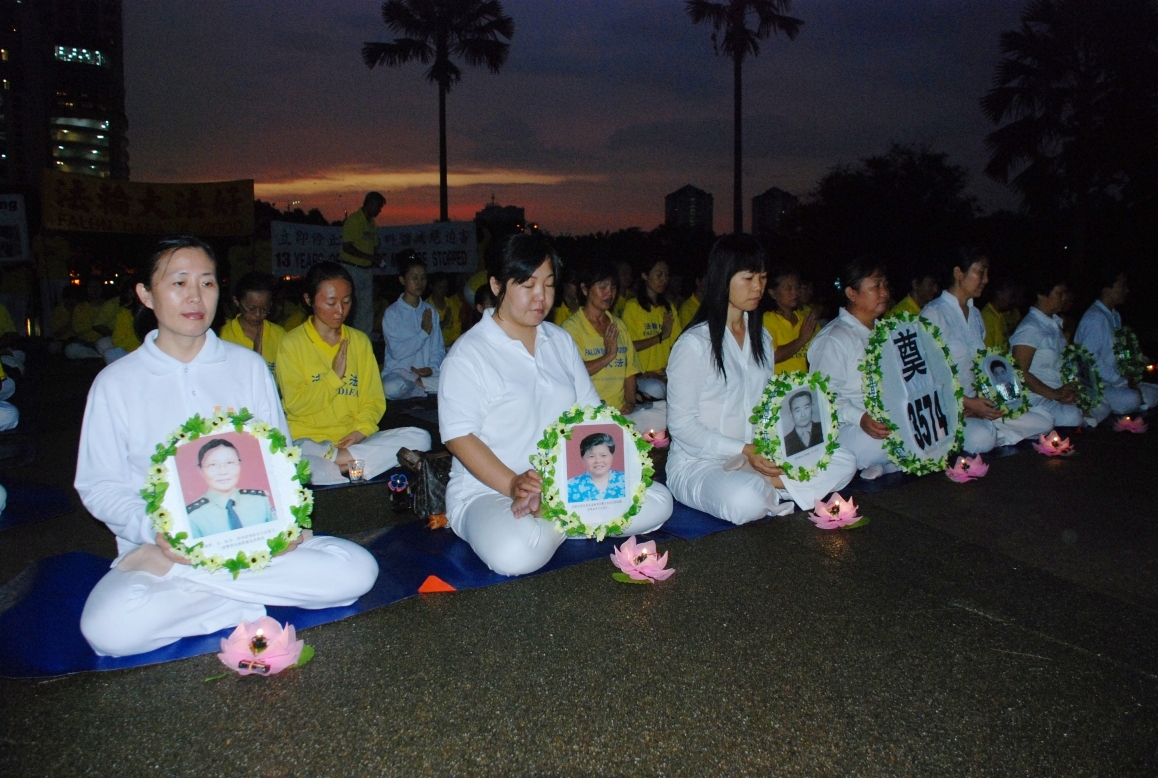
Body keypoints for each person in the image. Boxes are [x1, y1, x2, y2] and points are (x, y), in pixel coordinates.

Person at [75, 235, 379, 658]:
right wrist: (155, 533)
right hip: (167, 552)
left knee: (358, 570)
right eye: (178, 283)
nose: (195, 296)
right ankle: (249, 599)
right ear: (145, 294)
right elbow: (99, 485)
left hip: (254, 544)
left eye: (207, 283)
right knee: (108, 630)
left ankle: (208, 594)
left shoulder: (247, 367)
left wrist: (286, 522)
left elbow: (281, 460)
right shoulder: (116, 383)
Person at [439, 234, 672, 576]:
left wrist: (612, 469)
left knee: (659, 502)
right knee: (514, 554)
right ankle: (572, 520)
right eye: (528, 285)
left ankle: (557, 516)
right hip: (489, 490)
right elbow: (459, 437)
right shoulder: (469, 353)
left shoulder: (559, 341)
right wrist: (513, 484)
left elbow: (592, 416)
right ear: (497, 284)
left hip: (569, 483)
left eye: (548, 285)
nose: (541, 297)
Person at [667, 234, 857, 524]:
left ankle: (771, 484)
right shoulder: (694, 345)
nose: (758, 287)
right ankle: (775, 488)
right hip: (701, 463)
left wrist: (776, 450)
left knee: (845, 460)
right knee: (745, 500)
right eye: (748, 278)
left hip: (757, 455)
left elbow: (768, 408)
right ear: (723, 279)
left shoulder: (762, 339)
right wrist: (744, 450)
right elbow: (681, 427)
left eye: (763, 277)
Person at [275, 261, 430, 485]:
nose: (340, 311)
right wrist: (333, 378)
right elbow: (295, 405)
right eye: (331, 303)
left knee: (420, 438)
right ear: (309, 300)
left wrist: (360, 431)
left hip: (353, 442)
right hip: (307, 440)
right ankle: (349, 465)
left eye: (346, 301)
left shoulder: (359, 341)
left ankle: (340, 463)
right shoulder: (291, 344)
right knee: (298, 458)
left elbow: (373, 400)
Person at [919, 248, 1052, 451]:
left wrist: (987, 401)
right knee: (981, 438)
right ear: (959, 273)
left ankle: (988, 433)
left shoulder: (975, 314)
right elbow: (926, 377)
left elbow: (982, 367)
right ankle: (984, 435)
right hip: (948, 406)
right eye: (980, 272)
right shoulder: (933, 314)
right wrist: (968, 403)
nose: (986, 279)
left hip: (979, 404)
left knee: (1044, 420)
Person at [807, 257, 898, 478]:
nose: (884, 292)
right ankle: (879, 460)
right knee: (886, 441)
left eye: (885, 284)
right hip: (849, 428)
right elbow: (821, 398)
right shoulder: (835, 338)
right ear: (852, 293)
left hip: (886, 422)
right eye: (876, 286)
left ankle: (883, 463)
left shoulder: (888, 332)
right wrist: (860, 418)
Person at [560, 260, 645, 420]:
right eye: (603, 286)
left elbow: (630, 372)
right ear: (585, 289)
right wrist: (608, 355)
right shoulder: (571, 328)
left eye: (613, 287)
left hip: (619, 413)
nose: (609, 293)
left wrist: (630, 402)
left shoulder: (619, 325)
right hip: (586, 416)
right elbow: (572, 372)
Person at [1010, 270, 1088, 428]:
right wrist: (1055, 394)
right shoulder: (1030, 327)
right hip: (1035, 397)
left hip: (1057, 393)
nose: (1064, 298)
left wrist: (1067, 392)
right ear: (1041, 295)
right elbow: (1019, 371)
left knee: (1094, 404)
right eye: (1059, 293)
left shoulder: (1053, 325)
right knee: (1073, 415)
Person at [1075, 267, 1158, 415]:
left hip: (1115, 381)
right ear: (1107, 289)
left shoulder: (1114, 316)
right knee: (1132, 398)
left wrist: (1135, 364)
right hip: (1097, 385)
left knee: (1152, 391)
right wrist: (1120, 381)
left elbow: (1119, 352)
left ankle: (1135, 400)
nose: (1127, 290)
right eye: (1122, 286)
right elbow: (1089, 359)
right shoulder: (1095, 318)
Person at [381, 254, 445, 399]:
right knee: (390, 387)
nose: (419, 282)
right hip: (399, 374)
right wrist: (423, 333)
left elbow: (438, 349)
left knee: (457, 380)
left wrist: (431, 368)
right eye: (414, 278)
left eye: (423, 278)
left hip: (427, 376)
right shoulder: (392, 313)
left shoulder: (430, 311)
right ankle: (420, 388)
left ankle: (419, 386)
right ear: (402, 280)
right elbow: (397, 352)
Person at [186, 439, 275, 539]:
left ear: (239, 465)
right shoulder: (192, 517)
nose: (223, 472)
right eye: (213, 465)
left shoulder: (260, 501)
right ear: (201, 471)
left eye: (230, 463)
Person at [622, 257, 683, 399]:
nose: (664, 279)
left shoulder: (669, 308)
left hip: (664, 374)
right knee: (656, 389)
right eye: (659, 274)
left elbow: (678, 345)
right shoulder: (632, 307)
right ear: (645, 275)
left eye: (666, 275)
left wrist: (670, 370)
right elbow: (630, 346)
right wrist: (661, 336)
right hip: (642, 376)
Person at [219, 272, 286, 374]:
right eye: (251, 309)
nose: (257, 315)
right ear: (236, 301)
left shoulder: (279, 335)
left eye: (264, 309)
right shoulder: (223, 336)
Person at [339, 191, 385, 336]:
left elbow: (374, 245)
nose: (379, 211)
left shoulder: (372, 224)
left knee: (365, 309)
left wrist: (376, 257)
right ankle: (345, 338)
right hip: (351, 269)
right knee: (349, 306)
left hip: (366, 270)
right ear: (370, 204)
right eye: (378, 207)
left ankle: (363, 340)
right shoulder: (353, 220)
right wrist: (370, 257)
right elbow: (347, 246)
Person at [762, 264, 819, 374]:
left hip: (805, 384)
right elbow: (772, 357)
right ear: (773, 293)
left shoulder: (805, 319)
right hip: (779, 384)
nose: (795, 292)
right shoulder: (767, 320)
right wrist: (801, 339)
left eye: (797, 287)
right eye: (789, 288)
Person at [566, 432, 627, 502]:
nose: (598, 461)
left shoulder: (626, 480)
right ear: (583, 459)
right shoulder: (569, 487)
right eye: (591, 456)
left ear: (612, 457)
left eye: (603, 455)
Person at [982, 277, 1024, 349]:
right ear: (999, 294)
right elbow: (988, 351)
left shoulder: (1000, 314)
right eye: (1012, 296)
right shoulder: (987, 317)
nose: (1013, 300)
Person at [426, 272, 464, 348]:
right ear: (431, 287)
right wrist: (444, 322)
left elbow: (457, 327)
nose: (443, 290)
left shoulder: (452, 303)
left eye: (445, 287)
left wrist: (454, 344)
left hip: (452, 346)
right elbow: (427, 332)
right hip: (433, 347)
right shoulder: (426, 306)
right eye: (440, 287)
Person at [782, 391, 823, 456]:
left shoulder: (823, 427)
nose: (803, 414)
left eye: (806, 408)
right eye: (798, 410)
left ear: (812, 408)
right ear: (791, 414)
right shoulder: (785, 442)